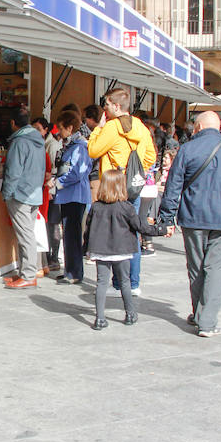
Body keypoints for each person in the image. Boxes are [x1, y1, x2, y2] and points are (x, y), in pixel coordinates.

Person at [158, 111, 221, 337]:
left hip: (194, 217)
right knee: (216, 269)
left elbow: (173, 186)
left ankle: (200, 314)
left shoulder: (187, 150)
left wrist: (167, 218)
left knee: (196, 268)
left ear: (198, 127)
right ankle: (207, 320)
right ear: (218, 128)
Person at [87, 87, 156, 297]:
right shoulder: (141, 127)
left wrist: (98, 128)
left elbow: (93, 150)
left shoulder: (111, 127)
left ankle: (117, 281)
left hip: (113, 187)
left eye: (106, 105)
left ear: (116, 106)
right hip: (133, 187)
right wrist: (135, 171)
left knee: (110, 232)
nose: (104, 110)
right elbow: (151, 156)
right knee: (131, 232)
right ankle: (131, 282)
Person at [86, 170, 167, 330]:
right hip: (122, 250)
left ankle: (99, 319)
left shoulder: (96, 207)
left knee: (101, 283)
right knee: (124, 282)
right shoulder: (126, 207)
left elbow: (88, 230)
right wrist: (161, 230)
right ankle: (130, 314)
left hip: (100, 250)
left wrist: (86, 248)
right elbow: (141, 227)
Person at [1, 108, 46, 289]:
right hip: (34, 193)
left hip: (20, 194)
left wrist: (6, 193)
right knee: (27, 234)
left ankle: (28, 274)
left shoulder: (19, 142)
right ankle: (24, 272)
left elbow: (13, 172)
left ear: (13, 123)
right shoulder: (38, 140)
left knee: (25, 235)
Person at [51, 110, 91, 284]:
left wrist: (58, 182)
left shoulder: (79, 147)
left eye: (61, 128)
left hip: (75, 196)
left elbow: (76, 173)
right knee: (68, 234)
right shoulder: (71, 145)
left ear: (69, 127)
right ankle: (70, 270)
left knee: (72, 235)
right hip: (68, 196)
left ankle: (74, 273)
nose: (59, 132)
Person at [33, 116, 63, 274]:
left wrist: (51, 190)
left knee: (50, 225)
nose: (36, 132)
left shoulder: (50, 146)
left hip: (50, 191)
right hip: (48, 190)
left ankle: (52, 259)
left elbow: (52, 171)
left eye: (39, 129)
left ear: (46, 130)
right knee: (48, 225)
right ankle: (48, 260)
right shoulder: (44, 145)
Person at [82, 104, 103, 200]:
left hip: (95, 176)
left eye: (85, 118)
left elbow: (93, 154)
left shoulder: (97, 134)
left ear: (91, 118)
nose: (85, 122)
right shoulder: (105, 132)